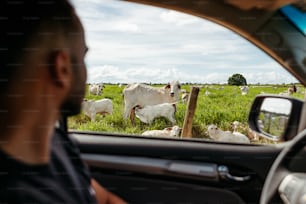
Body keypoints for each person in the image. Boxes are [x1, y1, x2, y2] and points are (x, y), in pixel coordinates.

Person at [0, 0, 126, 203]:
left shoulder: (57, 142)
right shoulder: (18, 194)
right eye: (83, 57)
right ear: (62, 68)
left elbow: (105, 199)